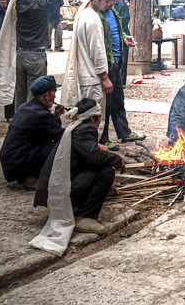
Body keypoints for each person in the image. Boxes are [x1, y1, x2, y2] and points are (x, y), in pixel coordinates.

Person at [34, 97, 124, 239]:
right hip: (60, 189)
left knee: (100, 164)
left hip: (55, 186)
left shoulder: (77, 127)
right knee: (107, 171)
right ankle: (83, 216)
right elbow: (95, 157)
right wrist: (117, 159)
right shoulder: (86, 130)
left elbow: (88, 153)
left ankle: (77, 205)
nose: (100, 121)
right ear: (93, 117)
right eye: (99, 118)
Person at [95, 0, 144, 146]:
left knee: (117, 100)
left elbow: (118, 30)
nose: (112, 3)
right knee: (105, 103)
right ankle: (103, 138)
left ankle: (124, 132)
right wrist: (103, 75)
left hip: (116, 62)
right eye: (109, 0)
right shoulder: (95, 16)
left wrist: (124, 37)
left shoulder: (112, 11)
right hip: (105, 64)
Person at [0, 75, 65, 187]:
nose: (55, 97)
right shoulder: (41, 114)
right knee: (62, 145)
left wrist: (56, 116)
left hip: (10, 160)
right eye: (54, 92)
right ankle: (29, 176)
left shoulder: (25, 107)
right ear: (46, 96)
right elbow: (59, 135)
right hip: (19, 162)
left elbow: (45, 129)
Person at [61, 0, 114, 115]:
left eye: (113, 0)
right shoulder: (92, 19)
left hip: (86, 76)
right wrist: (105, 77)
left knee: (85, 117)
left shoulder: (84, 14)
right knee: (93, 119)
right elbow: (97, 51)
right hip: (92, 79)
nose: (110, 4)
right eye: (107, 0)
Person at [14, 0, 65, 108]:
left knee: (20, 92)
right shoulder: (41, 4)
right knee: (35, 93)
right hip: (36, 55)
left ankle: (19, 121)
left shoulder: (17, 4)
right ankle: (31, 123)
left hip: (20, 53)